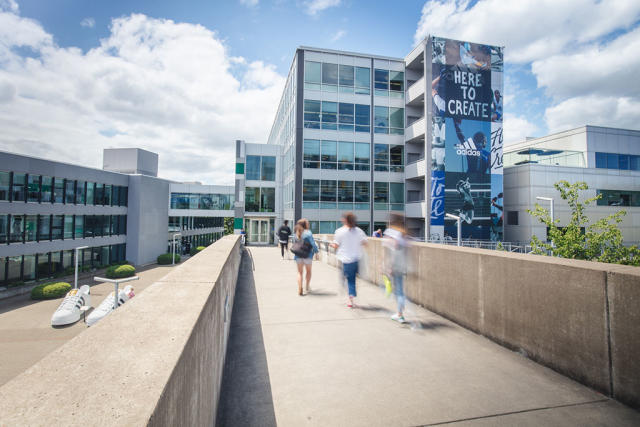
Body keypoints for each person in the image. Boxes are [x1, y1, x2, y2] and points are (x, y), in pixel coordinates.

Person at [331, 212, 367, 308]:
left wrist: (331, 244)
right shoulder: (359, 231)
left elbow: (336, 245)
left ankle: (350, 299)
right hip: (356, 259)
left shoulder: (339, 231)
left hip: (346, 260)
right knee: (352, 279)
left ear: (345, 220)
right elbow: (365, 243)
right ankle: (351, 296)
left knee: (348, 280)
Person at [384, 213, 408, 323]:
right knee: (400, 290)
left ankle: (400, 314)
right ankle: (400, 312)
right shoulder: (403, 233)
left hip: (394, 266)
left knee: (396, 291)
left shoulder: (390, 233)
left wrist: (389, 266)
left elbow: (391, 251)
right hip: (403, 265)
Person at [293, 218, 318, 296]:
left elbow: (294, 244)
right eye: (308, 223)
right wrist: (316, 252)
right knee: (308, 271)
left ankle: (300, 288)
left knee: (299, 273)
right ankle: (307, 286)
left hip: (298, 255)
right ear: (305, 224)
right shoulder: (308, 232)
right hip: (308, 255)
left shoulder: (296, 233)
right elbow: (313, 244)